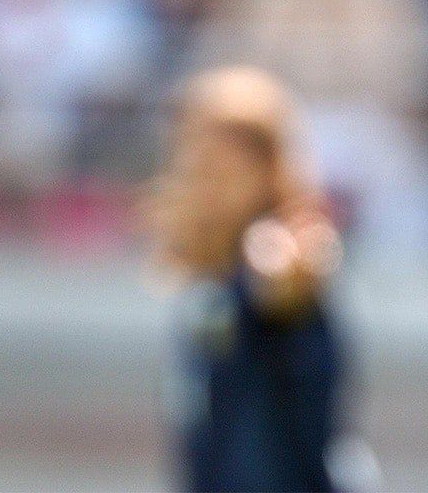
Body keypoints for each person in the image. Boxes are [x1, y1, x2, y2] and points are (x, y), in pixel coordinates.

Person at [143, 66, 343, 492]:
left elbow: (285, 273)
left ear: (265, 165)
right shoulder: (213, 274)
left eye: (216, 162)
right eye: (190, 157)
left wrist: (286, 264)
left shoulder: (270, 247)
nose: (198, 178)